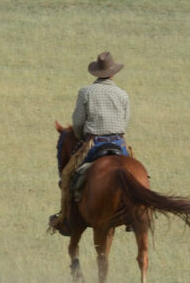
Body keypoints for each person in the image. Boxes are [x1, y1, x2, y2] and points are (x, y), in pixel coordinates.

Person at [49, 51, 131, 235]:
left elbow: (78, 121)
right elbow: (125, 122)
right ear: (113, 73)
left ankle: (65, 218)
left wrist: (80, 135)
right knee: (136, 173)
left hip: (94, 143)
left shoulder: (85, 92)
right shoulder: (122, 94)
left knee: (68, 176)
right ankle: (137, 212)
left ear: (96, 73)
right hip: (119, 142)